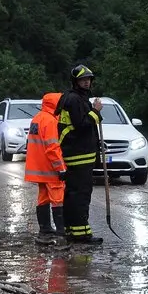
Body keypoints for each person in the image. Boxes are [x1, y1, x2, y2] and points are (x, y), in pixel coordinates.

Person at [57, 64, 104, 245]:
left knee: (73, 193)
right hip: (79, 154)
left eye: (88, 79)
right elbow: (82, 124)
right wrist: (96, 112)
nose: (86, 82)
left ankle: (72, 230)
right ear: (75, 82)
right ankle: (81, 234)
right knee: (80, 194)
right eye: (83, 80)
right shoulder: (75, 100)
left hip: (77, 153)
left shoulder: (74, 98)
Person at [24, 92, 67, 245]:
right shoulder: (50, 121)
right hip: (50, 169)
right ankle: (61, 233)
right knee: (58, 199)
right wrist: (61, 168)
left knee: (43, 198)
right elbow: (52, 148)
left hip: (38, 168)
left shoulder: (37, 118)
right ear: (55, 104)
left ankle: (45, 230)